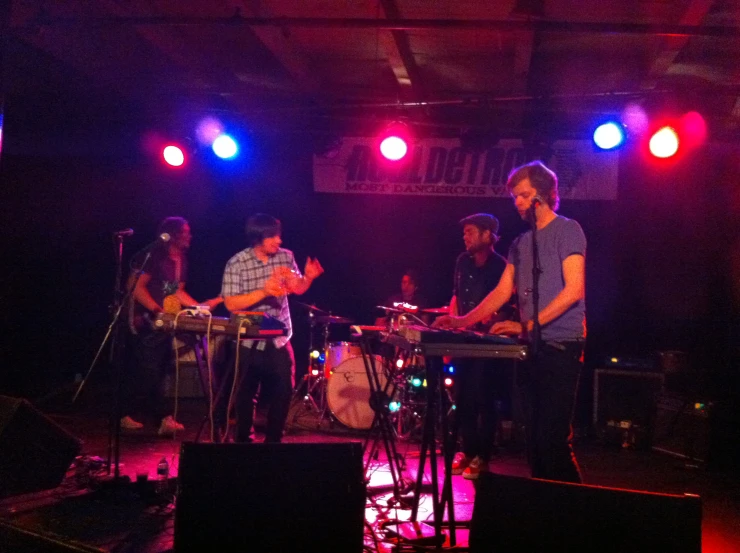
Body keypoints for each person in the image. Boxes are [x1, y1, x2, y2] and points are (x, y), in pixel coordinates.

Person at [435, 161, 586, 484]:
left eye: (523, 195)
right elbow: (502, 292)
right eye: (515, 196)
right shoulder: (520, 244)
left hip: (562, 345)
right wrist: (461, 321)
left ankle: (577, 515)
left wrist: (526, 325)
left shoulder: (568, 230)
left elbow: (574, 290)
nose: (516, 202)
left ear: (543, 195)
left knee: (552, 439)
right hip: (529, 349)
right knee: (531, 439)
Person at [221, 213, 324, 443]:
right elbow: (230, 303)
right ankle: (244, 439)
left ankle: (274, 440)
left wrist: (307, 278)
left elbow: (296, 288)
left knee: (284, 388)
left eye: (279, 235)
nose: (279, 240)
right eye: (273, 236)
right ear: (259, 236)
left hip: (279, 336)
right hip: (247, 338)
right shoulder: (237, 263)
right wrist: (264, 292)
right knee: (245, 392)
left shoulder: (286, 257)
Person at [123, 217, 223, 435]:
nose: (190, 235)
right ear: (173, 234)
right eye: (185, 232)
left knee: (159, 369)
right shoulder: (154, 255)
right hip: (147, 320)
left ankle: (158, 417)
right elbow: (135, 286)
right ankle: (127, 413)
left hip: (165, 321)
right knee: (149, 370)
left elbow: (174, 291)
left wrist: (198, 308)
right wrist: (156, 310)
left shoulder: (180, 259)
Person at [447, 213, 511, 480]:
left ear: (488, 235)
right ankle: (468, 450)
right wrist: (451, 328)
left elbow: (504, 305)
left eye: (471, 232)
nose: (466, 236)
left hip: (487, 341)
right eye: (464, 232)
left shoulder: (501, 266)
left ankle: (483, 456)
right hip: (463, 338)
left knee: (484, 398)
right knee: (462, 398)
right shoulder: (462, 262)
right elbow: (455, 296)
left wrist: (490, 318)